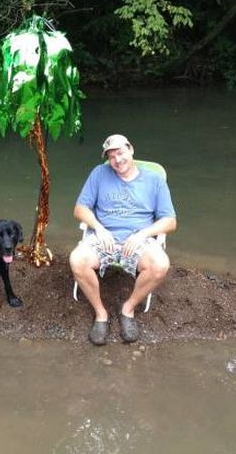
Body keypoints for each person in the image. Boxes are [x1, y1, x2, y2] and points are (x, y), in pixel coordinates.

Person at [69, 134, 177, 345]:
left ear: (131, 150)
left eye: (120, 153)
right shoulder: (99, 173)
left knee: (161, 264)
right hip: (104, 236)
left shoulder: (154, 180)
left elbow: (170, 221)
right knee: (77, 260)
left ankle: (128, 309)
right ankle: (101, 314)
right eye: (111, 156)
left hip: (138, 239)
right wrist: (99, 228)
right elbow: (79, 209)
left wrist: (143, 234)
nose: (117, 160)